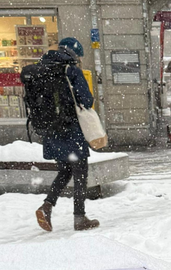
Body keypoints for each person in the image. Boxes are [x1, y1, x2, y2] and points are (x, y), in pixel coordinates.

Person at [34, 37, 99, 232]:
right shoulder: (71, 71)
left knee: (65, 171)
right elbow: (86, 100)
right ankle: (79, 218)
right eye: (79, 57)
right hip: (71, 131)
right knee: (80, 173)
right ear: (73, 53)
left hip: (51, 131)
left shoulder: (42, 70)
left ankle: (46, 207)